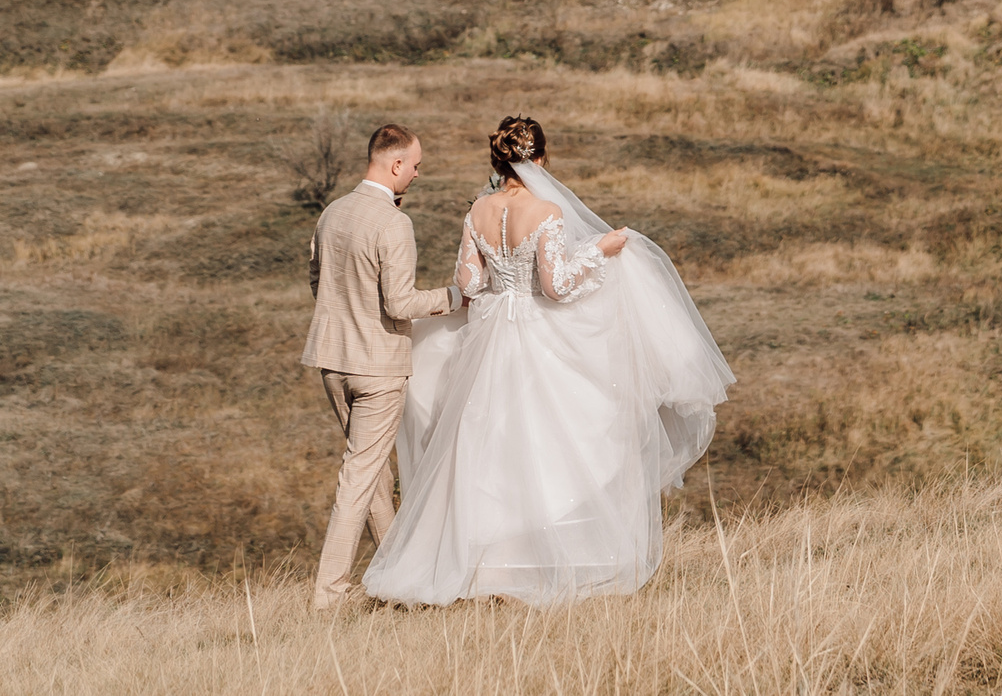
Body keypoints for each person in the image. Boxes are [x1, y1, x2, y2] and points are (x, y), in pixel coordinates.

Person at [363, 115, 734, 606]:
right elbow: (556, 286)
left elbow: (470, 284)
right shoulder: (547, 211)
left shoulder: (478, 211)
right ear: (538, 160)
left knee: (486, 446)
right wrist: (600, 250)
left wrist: (497, 275)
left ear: (499, 161)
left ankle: (482, 567)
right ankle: (541, 559)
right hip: (534, 335)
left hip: (489, 337)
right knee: (549, 443)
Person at [302, 122, 465, 612]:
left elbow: (317, 281)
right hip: (378, 368)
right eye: (415, 165)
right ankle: (328, 597)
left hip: (333, 361)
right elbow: (400, 303)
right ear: (395, 164)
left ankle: (399, 582)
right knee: (358, 479)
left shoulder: (332, 212)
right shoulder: (394, 223)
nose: (417, 174)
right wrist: (456, 297)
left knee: (370, 477)